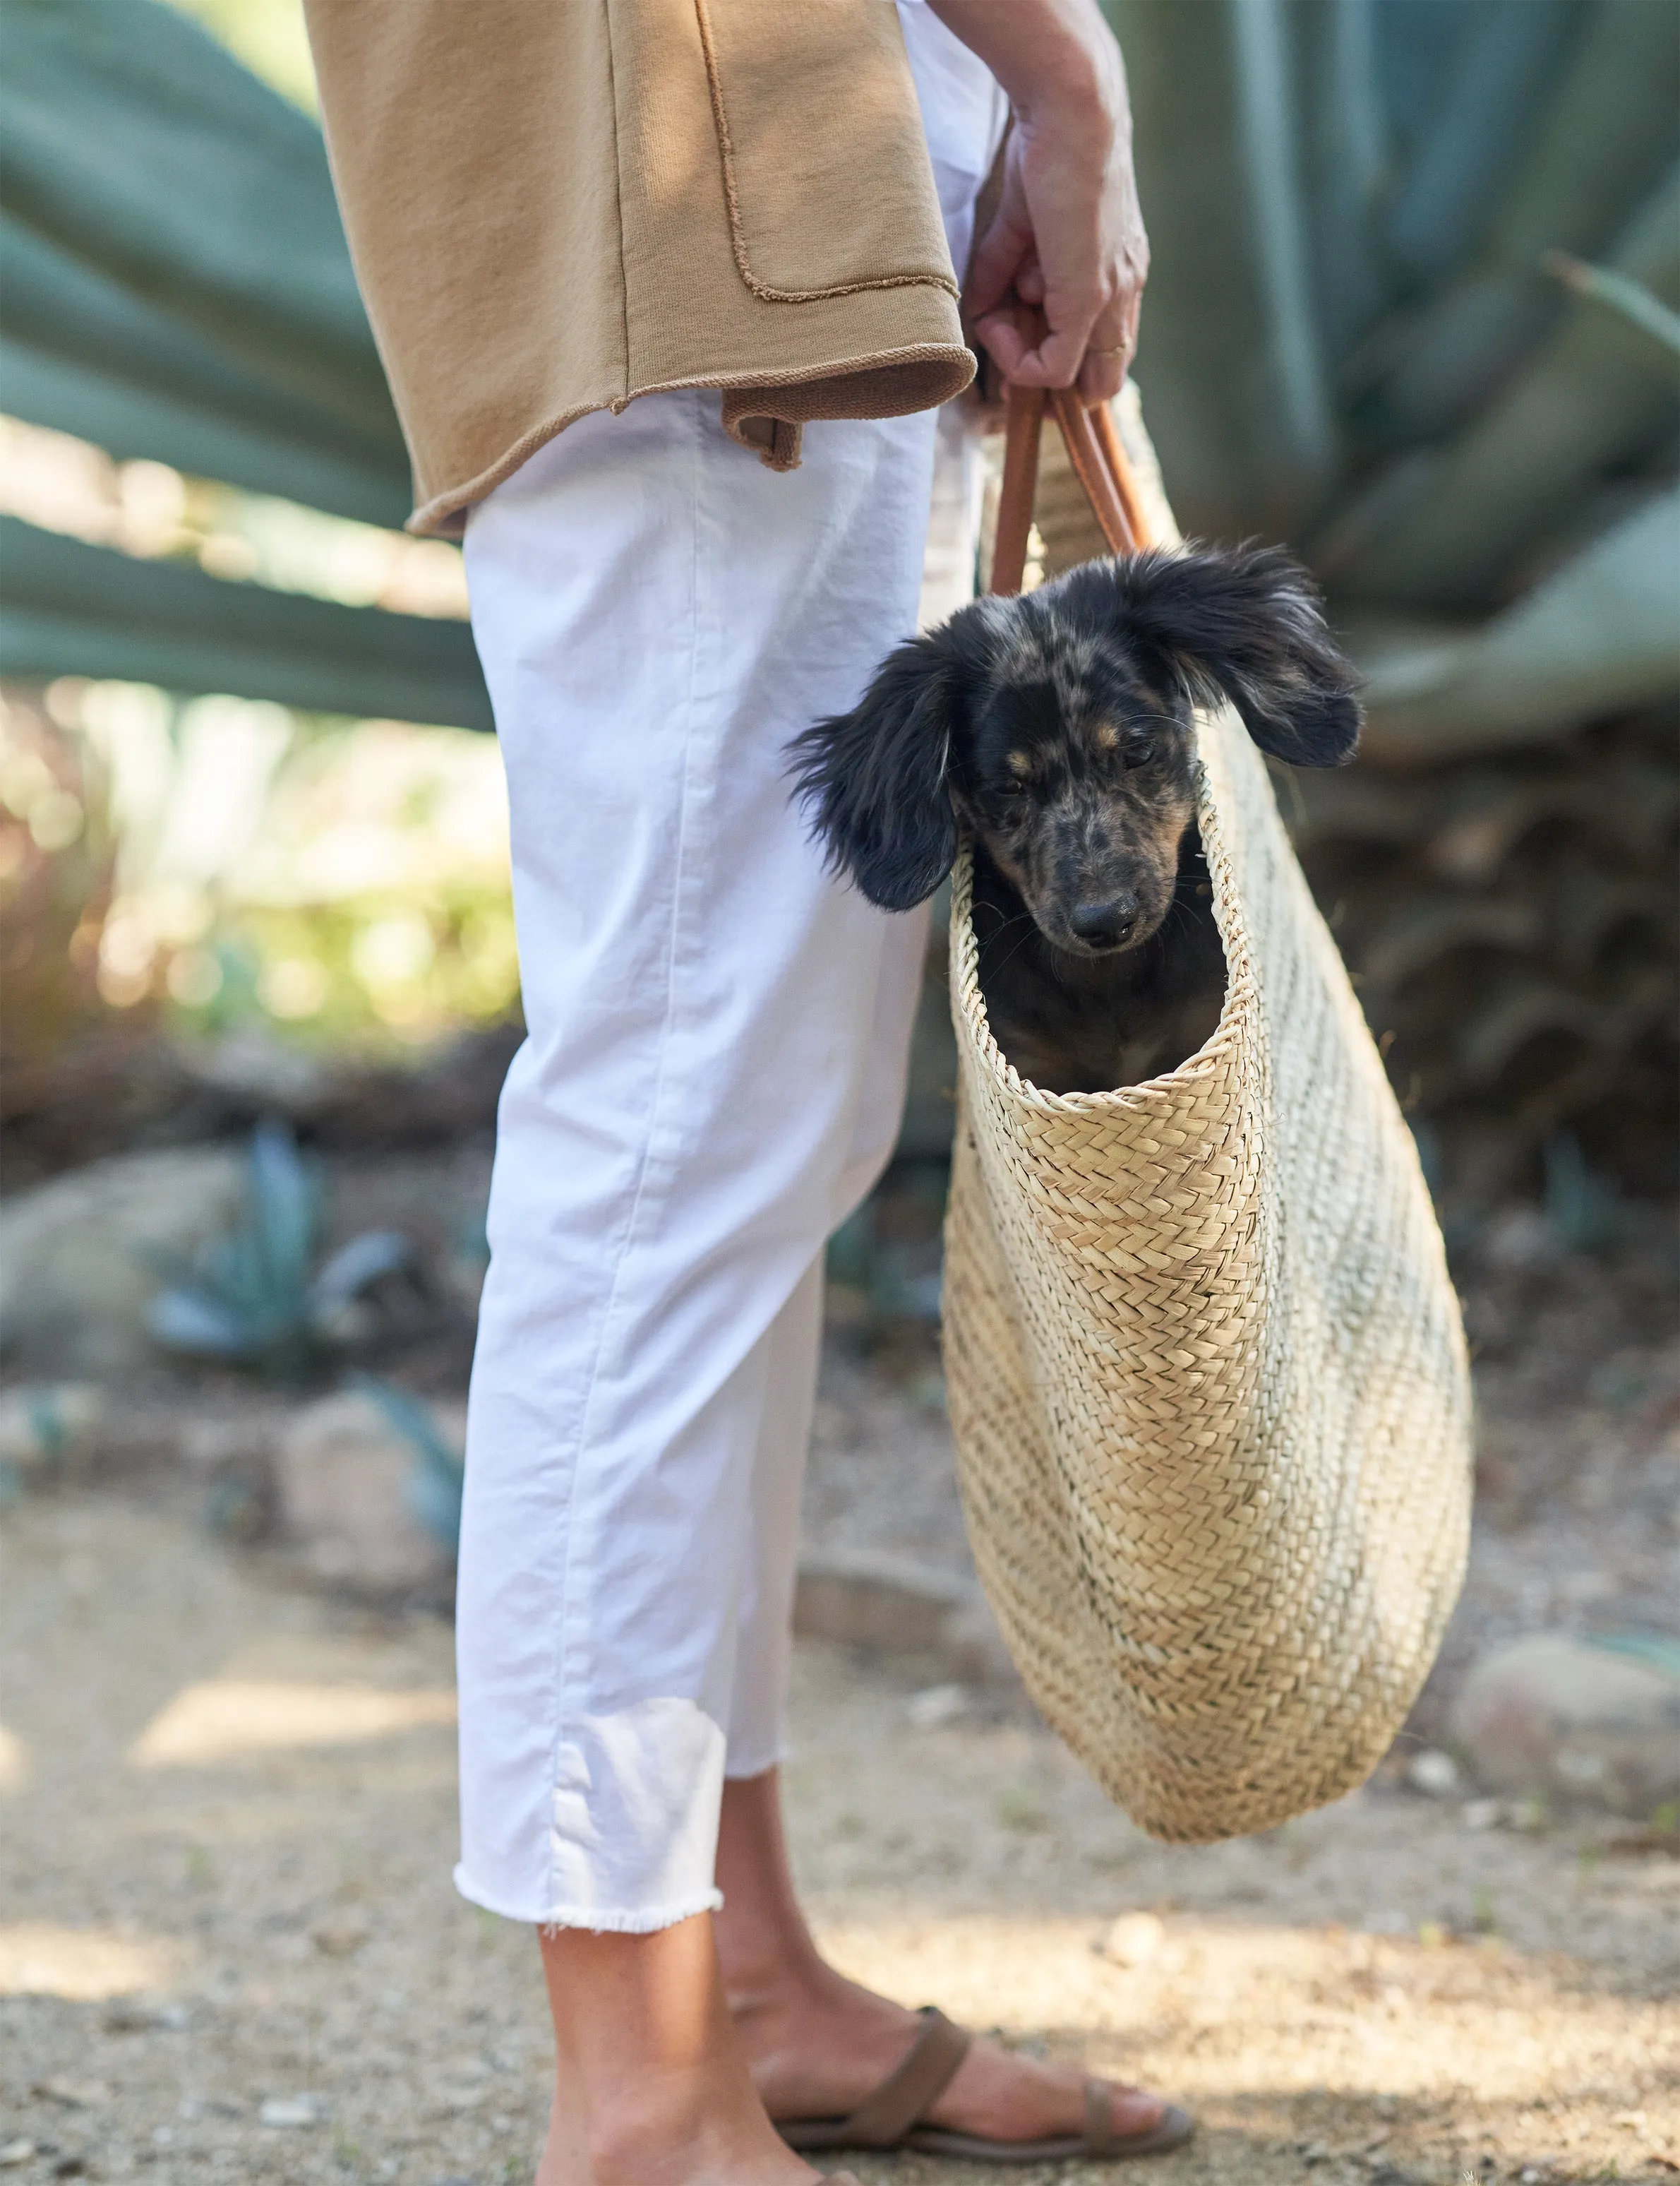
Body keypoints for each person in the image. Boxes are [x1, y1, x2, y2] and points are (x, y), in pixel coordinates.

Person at [305, 0, 1182, 2175]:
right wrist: (1060, 72)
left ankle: (746, 1981)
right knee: (677, 1144)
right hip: (698, 175)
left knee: (747, 1144)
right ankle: (635, 2098)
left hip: (781, 173)